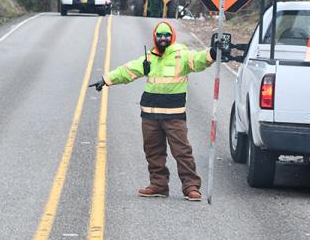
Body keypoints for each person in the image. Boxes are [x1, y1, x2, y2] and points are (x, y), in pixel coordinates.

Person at [89, 21, 217, 201]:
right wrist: (106, 79)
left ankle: (191, 187)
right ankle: (158, 185)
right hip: (150, 115)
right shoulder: (149, 58)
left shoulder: (181, 55)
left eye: (166, 35)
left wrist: (212, 53)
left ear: (172, 37)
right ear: (155, 37)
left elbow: (199, 60)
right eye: (159, 35)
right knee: (153, 151)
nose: (163, 39)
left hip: (174, 115)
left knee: (182, 151)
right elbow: (128, 70)